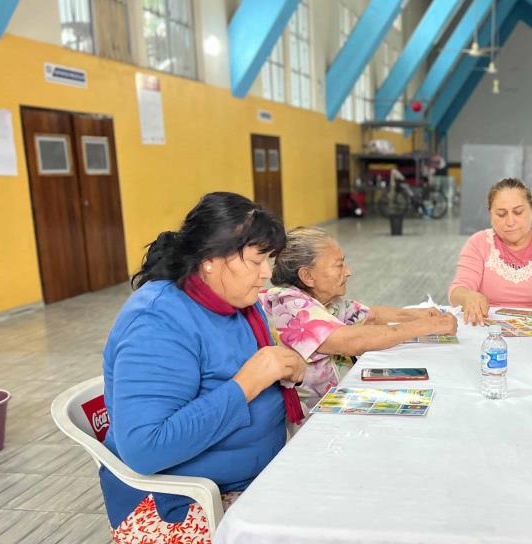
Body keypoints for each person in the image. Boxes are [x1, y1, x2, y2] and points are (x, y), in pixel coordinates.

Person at [102, 192, 307, 543]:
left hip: (252, 476)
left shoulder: (237, 301)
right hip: (177, 503)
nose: (268, 274)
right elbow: (144, 448)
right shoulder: (158, 321)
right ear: (211, 259)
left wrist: (287, 366)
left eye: (269, 260)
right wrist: (248, 383)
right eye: (257, 260)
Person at [262, 226, 458, 406]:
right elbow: (353, 341)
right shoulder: (289, 306)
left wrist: (419, 314)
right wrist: (427, 326)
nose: (348, 272)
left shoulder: (324, 300)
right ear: (308, 276)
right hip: (315, 415)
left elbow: (372, 316)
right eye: (339, 265)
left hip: (341, 395)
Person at [449, 178, 532, 325]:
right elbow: (457, 291)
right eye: (501, 214)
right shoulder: (478, 244)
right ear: (490, 215)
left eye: (518, 212)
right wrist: (468, 296)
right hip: (490, 330)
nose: (510, 222)